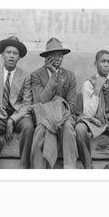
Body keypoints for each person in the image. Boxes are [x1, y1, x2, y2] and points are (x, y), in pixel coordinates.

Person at [0, 36, 34, 169]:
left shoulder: (25, 75)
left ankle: (24, 167)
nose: (11, 56)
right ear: (2, 54)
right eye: (8, 52)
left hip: (19, 114)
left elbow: (27, 103)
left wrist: (12, 120)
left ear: (19, 57)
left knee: (29, 127)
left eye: (15, 53)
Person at [30, 37, 78, 169]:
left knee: (68, 128)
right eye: (53, 55)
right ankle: (38, 169)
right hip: (45, 117)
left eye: (60, 55)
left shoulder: (69, 76)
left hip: (65, 117)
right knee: (41, 129)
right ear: (46, 57)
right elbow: (40, 101)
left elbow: (72, 105)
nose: (57, 58)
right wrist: (52, 77)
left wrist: (61, 118)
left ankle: (70, 168)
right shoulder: (36, 75)